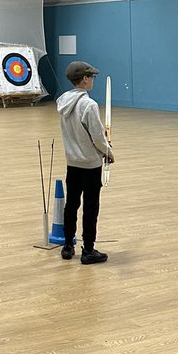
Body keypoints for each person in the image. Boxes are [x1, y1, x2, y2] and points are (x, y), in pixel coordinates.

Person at [56, 60, 114, 264]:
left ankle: (67, 246)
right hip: (90, 165)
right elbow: (97, 137)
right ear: (85, 79)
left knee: (71, 205)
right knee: (91, 207)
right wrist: (108, 151)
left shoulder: (62, 101)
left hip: (72, 163)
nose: (93, 80)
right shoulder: (89, 105)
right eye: (92, 77)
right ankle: (88, 250)